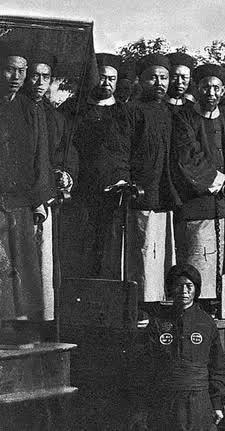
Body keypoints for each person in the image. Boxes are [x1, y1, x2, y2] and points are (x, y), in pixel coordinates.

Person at [171, 64, 225, 296]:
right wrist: (218, 178)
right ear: (196, 89)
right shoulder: (184, 118)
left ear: (223, 91)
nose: (211, 93)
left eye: (216, 88)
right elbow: (187, 155)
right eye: (205, 87)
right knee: (199, 265)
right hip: (197, 205)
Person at [130, 264, 225, 431]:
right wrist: (142, 408)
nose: (184, 291)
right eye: (179, 285)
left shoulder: (206, 323)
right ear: (171, 288)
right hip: (165, 400)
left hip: (198, 401)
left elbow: (218, 366)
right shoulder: (158, 322)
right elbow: (145, 366)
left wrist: (217, 404)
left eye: (189, 286)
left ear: (196, 290)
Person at [64, 53, 132, 279]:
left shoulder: (125, 112)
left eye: (112, 79)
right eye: (101, 78)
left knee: (109, 249)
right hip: (80, 191)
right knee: (79, 247)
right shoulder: (73, 109)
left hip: (113, 193)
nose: (106, 83)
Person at [24, 50, 76, 320]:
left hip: (46, 196)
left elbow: (64, 153)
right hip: (19, 198)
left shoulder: (55, 117)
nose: (40, 82)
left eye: (46, 77)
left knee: (42, 261)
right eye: (35, 76)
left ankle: (40, 320)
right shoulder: (14, 109)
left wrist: (64, 172)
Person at [0, 45, 49, 321]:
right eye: (10, 70)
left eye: (21, 71)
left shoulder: (31, 109)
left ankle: (18, 325)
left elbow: (40, 156)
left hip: (21, 200)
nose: (16, 77)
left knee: (21, 265)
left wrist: (38, 200)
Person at [128, 54, 179, 301]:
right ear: (140, 80)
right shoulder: (130, 111)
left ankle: (162, 301)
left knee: (164, 254)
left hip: (165, 196)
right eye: (152, 77)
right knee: (144, 253)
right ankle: (143, 303)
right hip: (141, 196)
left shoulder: (172, 112)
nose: (159, 83)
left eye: (164, 77)